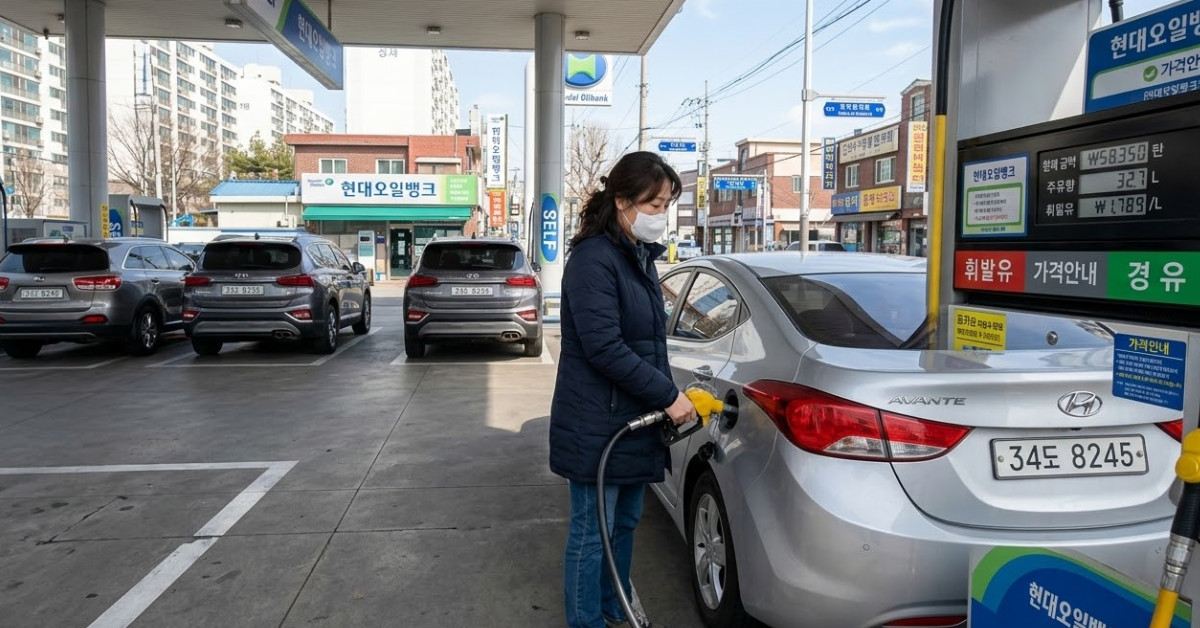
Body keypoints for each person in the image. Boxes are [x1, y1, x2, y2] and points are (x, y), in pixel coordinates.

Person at [549, 151, 697, 628]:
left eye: (666, 206)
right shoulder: (595, 259)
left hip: (631, 419)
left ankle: (615, 605)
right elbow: (605, 348)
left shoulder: (638, 257)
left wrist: (657, 396)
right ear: (621, 201)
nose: (661, 216)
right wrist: (670, 396)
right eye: (653, 206)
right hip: (597, 421)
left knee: (626, 523)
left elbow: (646, 342)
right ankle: (585, 620)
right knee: (593, 532)